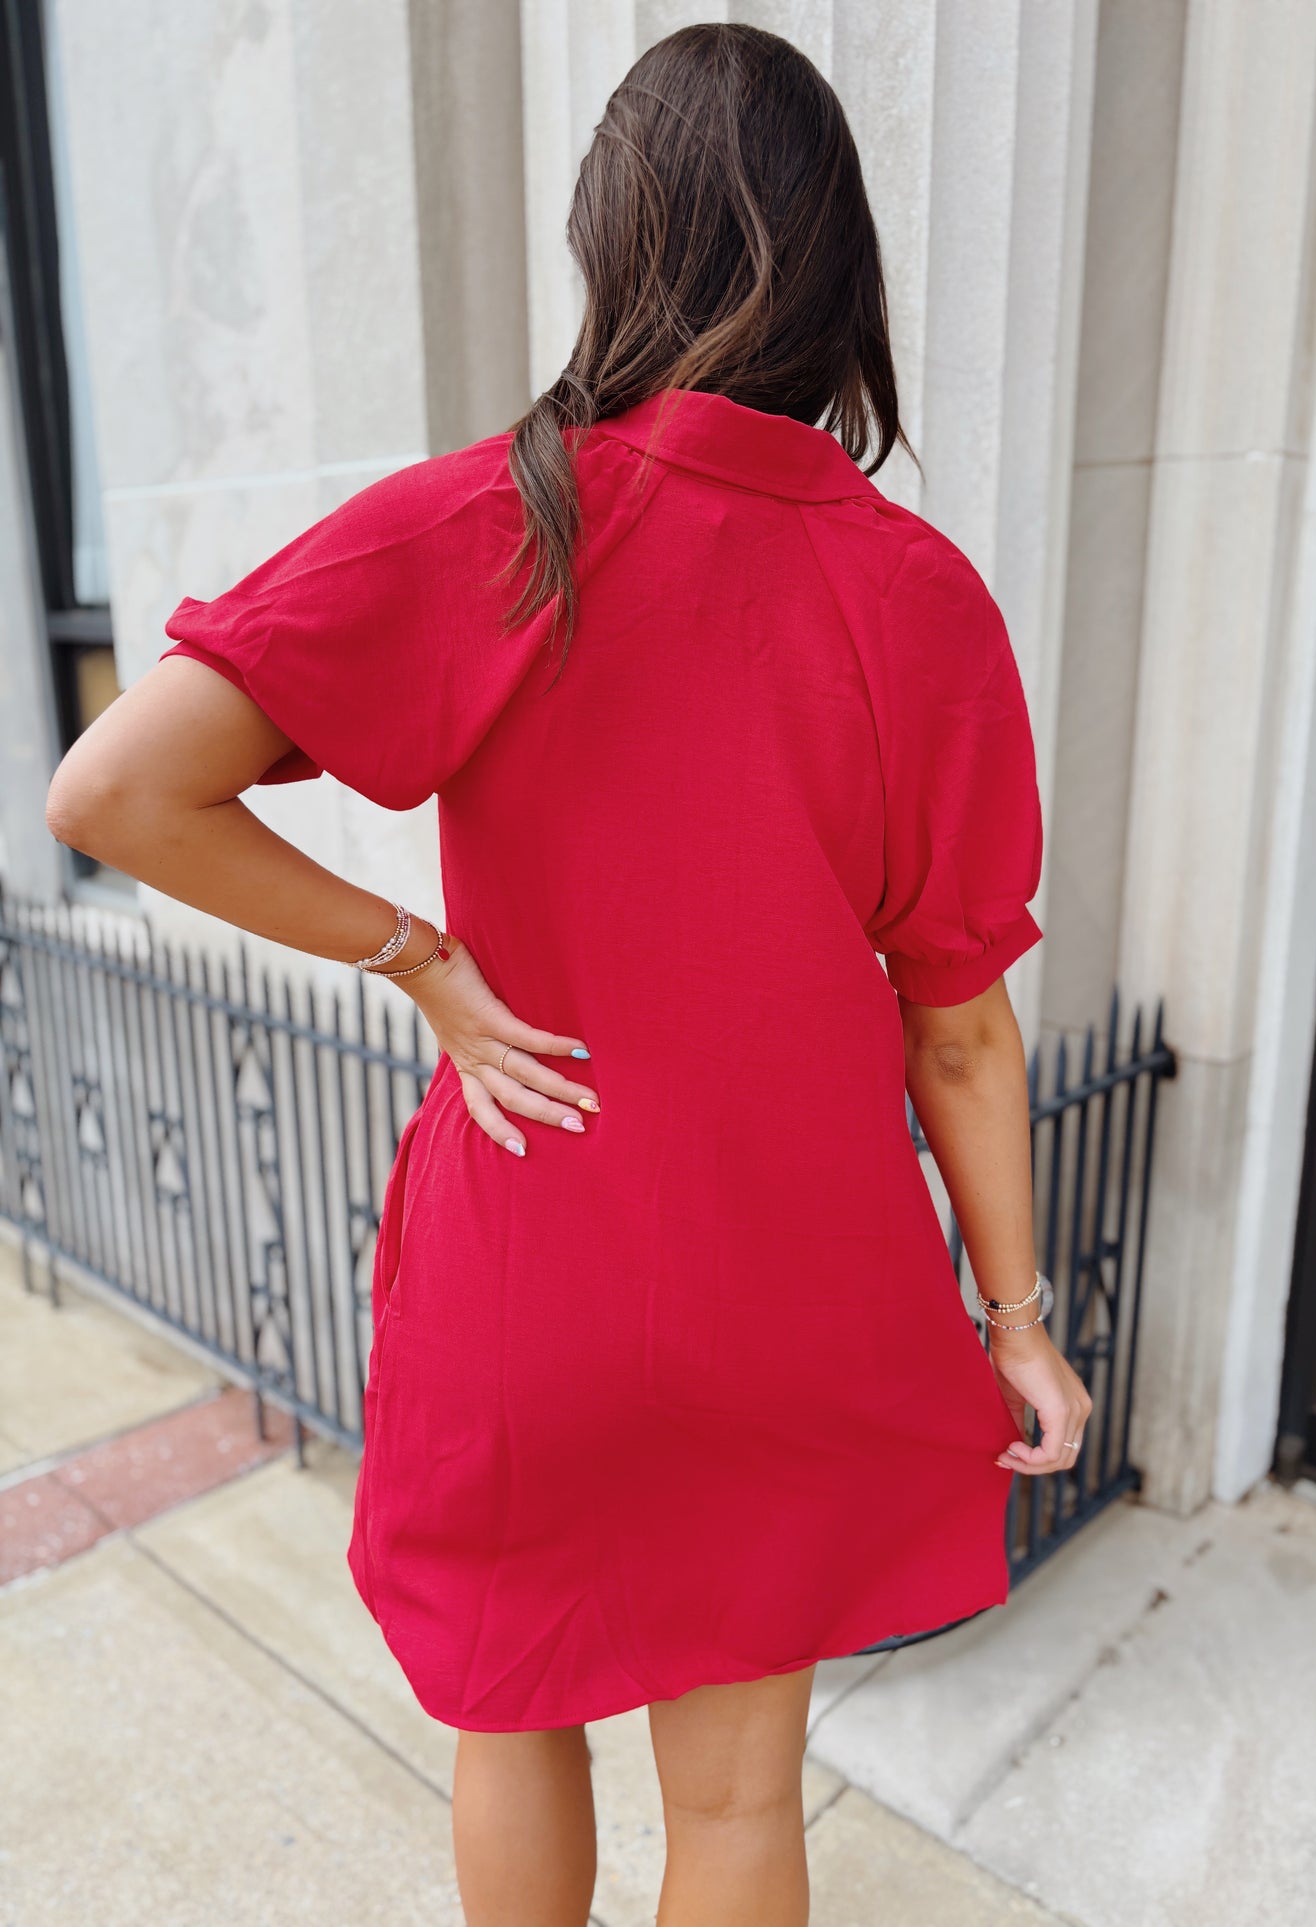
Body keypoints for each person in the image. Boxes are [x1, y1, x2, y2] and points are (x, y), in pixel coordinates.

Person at [45, 21, 1092, 1927]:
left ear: (615, 250)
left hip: (532, 1259)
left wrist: (414, 957)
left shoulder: (500, 520)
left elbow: (114, 785)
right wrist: (1015, 1317)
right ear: (838, 272)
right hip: (797, 1282)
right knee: (740, 1810)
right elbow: (958, 1026)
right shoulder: (920, 598)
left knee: (511, 1715)